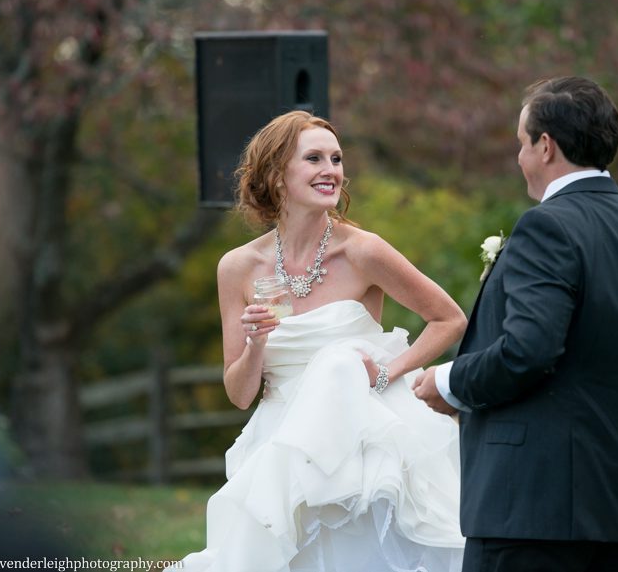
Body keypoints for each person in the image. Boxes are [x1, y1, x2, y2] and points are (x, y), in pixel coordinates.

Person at [169, 110, 468, 572]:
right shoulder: (238, 268)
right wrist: (256, 344)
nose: (331, 170)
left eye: (336, 158)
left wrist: (390, 369)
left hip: (364, 438)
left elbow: (449, 319)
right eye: (313, 159)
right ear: (275, 174)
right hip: (280, 444)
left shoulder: (362, 250)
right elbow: (240, 394)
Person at [413, 76, 618, 572]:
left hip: (534, 511)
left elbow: (528, 350)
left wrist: (449, 381)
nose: (519, 157)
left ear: (546, 146)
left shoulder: (547, 225)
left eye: (522, 143)